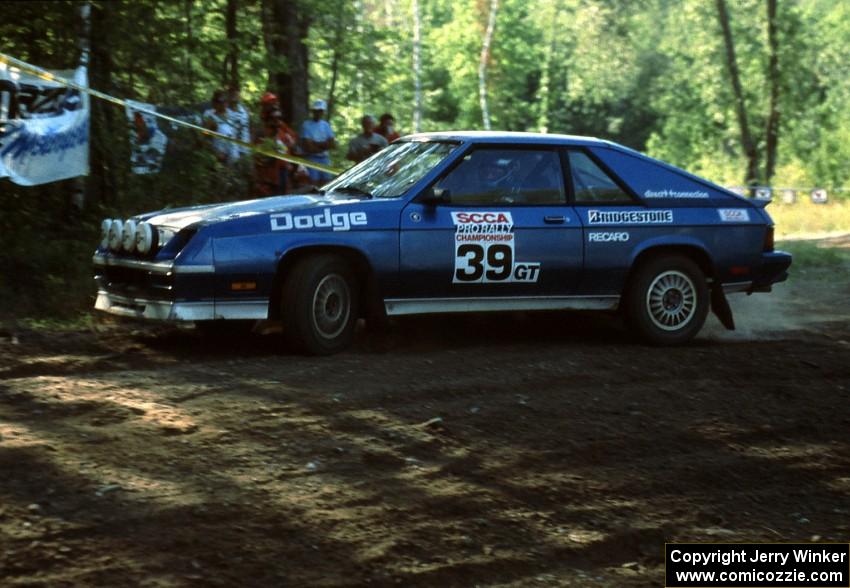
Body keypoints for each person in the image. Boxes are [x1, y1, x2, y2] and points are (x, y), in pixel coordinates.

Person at [254, 92, 299, 196]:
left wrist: (292, 146)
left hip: (283, 166)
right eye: (270, 103)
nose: (273, 104)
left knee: (284, 192)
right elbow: (258, 152)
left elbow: (292, 139)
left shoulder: (282, 126)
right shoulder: (262, 129)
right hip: (268, 170)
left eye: (274, 102)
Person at [299, 99, 336, 185]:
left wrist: (316, 143)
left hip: (325, 159)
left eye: (320, 111)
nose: (318, 113)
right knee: (313, 184)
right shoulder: (306, 125)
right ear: (313, 111)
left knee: (327, 184)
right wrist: (324, 145)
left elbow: (333, 144)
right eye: (316, 110)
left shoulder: (326, 125)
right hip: (311, 159)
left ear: (323, 112)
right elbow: (308, 147)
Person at [202, 89, 239, 164]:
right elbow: (204, 135)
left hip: (234, 154)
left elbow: (236, 132)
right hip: (219, 155)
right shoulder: (210, 117)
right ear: (214, 103)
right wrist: (212, 152)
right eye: (220, 102)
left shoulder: (232, 114)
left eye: (225, 101)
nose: (223, 104)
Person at [226, 86, 251, 157]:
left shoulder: (245, 110)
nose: (234, 96)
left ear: (239, 96)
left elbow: (249, 128)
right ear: (228, 96)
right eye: (232, 94)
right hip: (231, 149)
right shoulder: (225, 112)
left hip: (245, 146)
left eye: (236, 94)